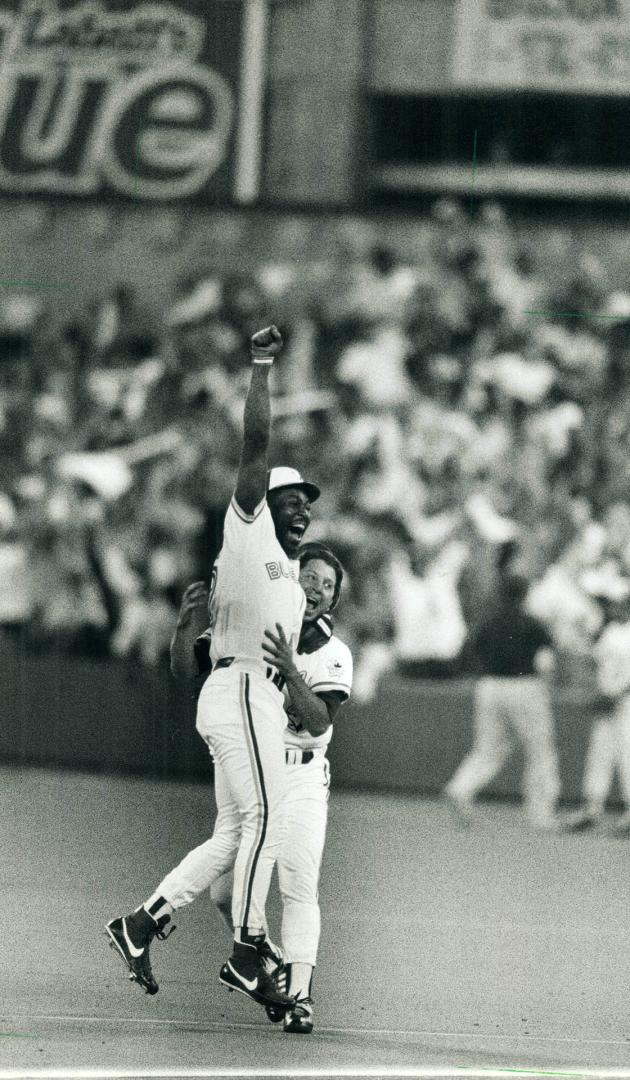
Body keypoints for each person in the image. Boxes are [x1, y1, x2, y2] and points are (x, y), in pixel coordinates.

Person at [106, 325, 319, 1014]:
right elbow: (256, 444)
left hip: (242, 693)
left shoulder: (285, 576)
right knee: (261, 815)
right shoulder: (248, 525)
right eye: (292, 500)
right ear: (264, 503)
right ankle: (251, 948)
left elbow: (185, 666)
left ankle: (142, 922)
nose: (302, 510)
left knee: (235, 831)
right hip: (239, 690)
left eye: (306, 506)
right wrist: (261, 365)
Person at [107, 543, 352, 1036]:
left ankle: (296, 993)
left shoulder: (333, 651)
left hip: (299, 770)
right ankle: (250, 954)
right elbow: (184, 667)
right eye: (311, 577)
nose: (317, 590)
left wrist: (287, 667)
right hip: (250, 750)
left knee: (293, 882)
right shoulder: (251, 624)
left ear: (334, 601)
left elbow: (320, 720)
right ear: (288, 576)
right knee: (226, 883)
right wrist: (182, 629)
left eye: (328, 586)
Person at [444, 574, 560, 830]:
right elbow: (546, 661)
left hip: (490, 686)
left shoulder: (488, 623)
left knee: (487, 749)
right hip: (524, 685)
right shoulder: (532, 623)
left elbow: (470, 653)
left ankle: (461, 788)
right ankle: (542, 814)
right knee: (540, 751)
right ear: (525, 594)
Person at [561, 586, 630, 835]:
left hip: (626, 702)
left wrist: (617, 695)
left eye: (620, 603)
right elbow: (594, 661)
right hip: (607, 700)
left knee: (627, 756)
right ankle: (592, 809)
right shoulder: (610, 631)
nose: (614, 608)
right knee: (599, 754)